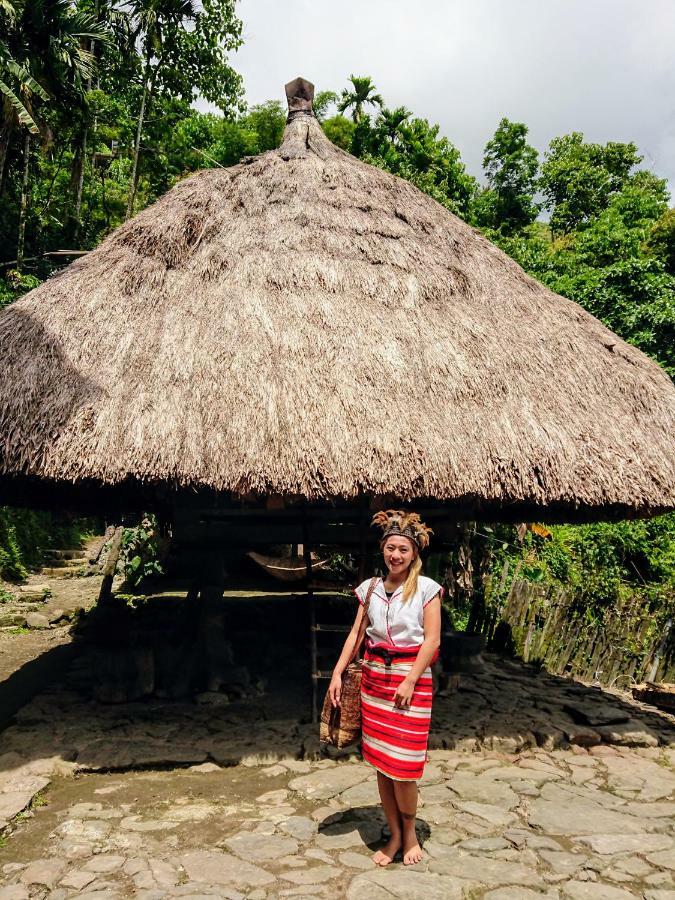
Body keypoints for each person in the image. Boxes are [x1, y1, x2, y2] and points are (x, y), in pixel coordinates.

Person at [328, 510, 442, 867]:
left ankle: (409, 834)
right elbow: (357, 634)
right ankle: (394, 833)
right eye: (391, 548)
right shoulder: (371, 589)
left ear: (414, 554)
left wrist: (410, 678)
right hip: (375, 682)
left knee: (405, 766)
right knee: (382, 763)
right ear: (383, 549)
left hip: (411, 684)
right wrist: (337, 672)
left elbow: (433, 641)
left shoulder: (427, 590)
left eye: (403, 550)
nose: (396, 555)